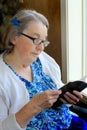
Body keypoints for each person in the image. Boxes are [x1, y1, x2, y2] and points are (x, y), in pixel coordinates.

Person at [0, 9, 87, 130]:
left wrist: (65, 99)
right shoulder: (2, 78)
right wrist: (32, 107)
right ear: (15, 37)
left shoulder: (43, 59)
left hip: (70, 123)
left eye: (43, 41)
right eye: (36, 39)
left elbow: (58, 88)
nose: (41, 48)